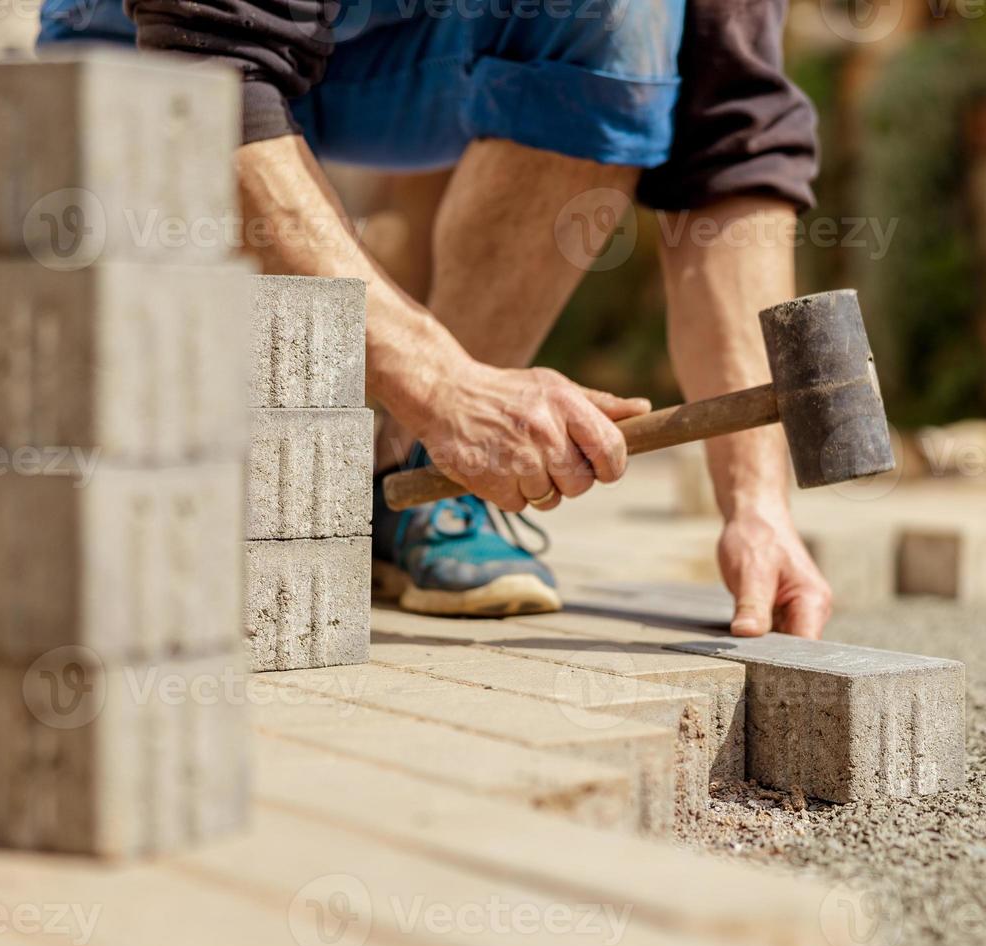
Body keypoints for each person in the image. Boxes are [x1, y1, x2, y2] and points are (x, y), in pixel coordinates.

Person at [40, 0, 834, 637]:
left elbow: (733, 151)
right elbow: (203, 70)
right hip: (141, 42)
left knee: (621, 18)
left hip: (397, 53)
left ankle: (415, 477)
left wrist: (756, 507)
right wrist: (444, 383)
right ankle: (416, 428)